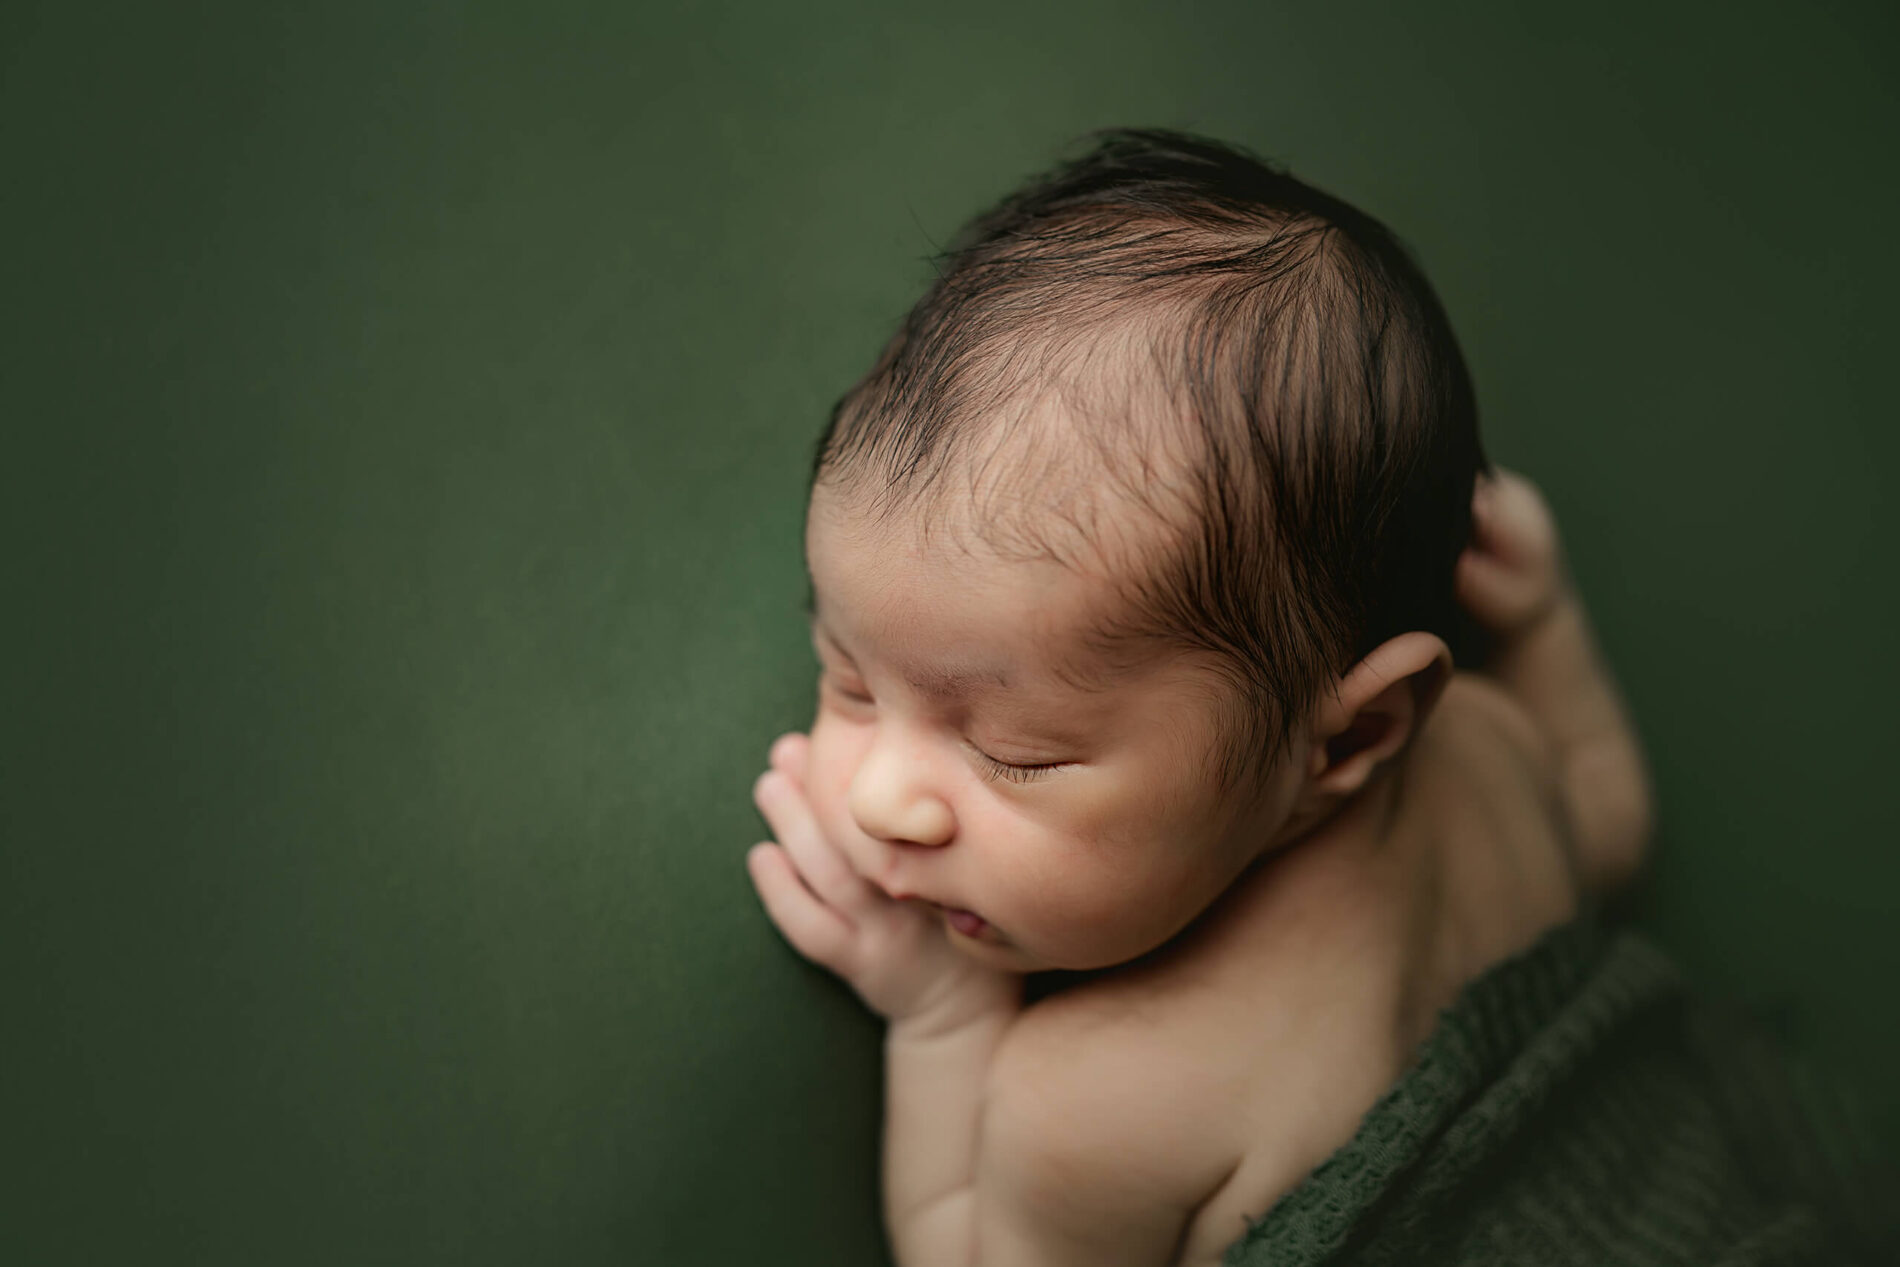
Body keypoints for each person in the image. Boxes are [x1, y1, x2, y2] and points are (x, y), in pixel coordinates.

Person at [742, 130, 1884, 1267]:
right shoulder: (1493, 756)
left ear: (1349, 740)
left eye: (1016, 751)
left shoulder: (1092, 1108)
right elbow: (1610, 830)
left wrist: (944, 1020)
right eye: (849, 678)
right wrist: (1546, 627)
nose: (879, 798)